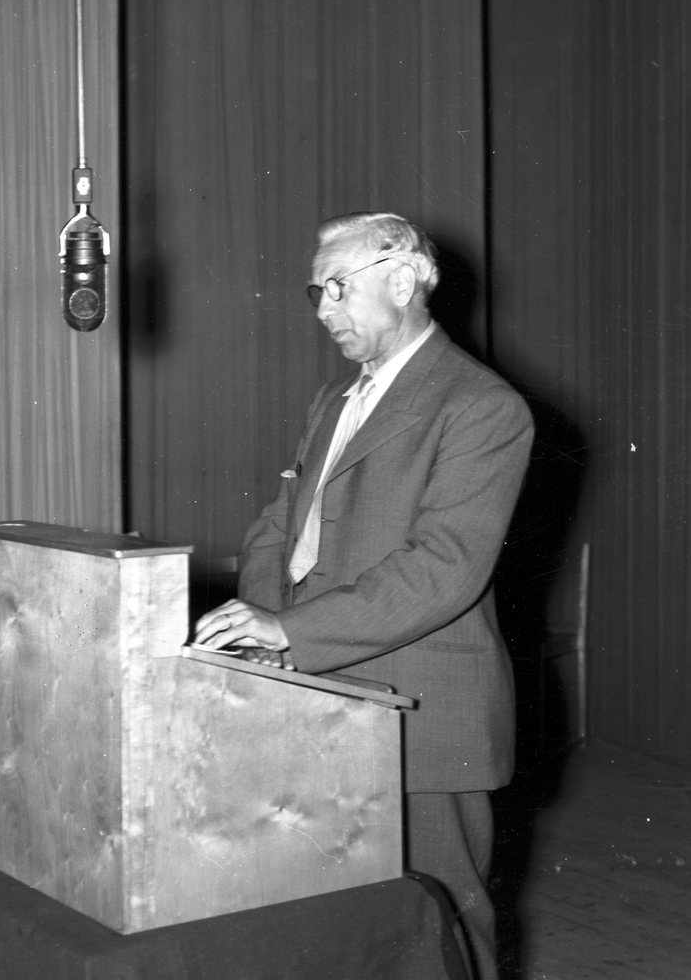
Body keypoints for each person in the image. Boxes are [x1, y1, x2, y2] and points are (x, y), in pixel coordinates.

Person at [194, 211, 533, 980]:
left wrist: (289, 630)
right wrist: (263, 635)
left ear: (403, 280)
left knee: (444, 927)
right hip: (317, 696)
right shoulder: (334, 400)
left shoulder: (479, 405)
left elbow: (444, 567)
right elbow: (279, 527)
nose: (322, 309)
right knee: (341, 924)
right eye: (314, 291)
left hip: (423, 712)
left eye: (337, 287)